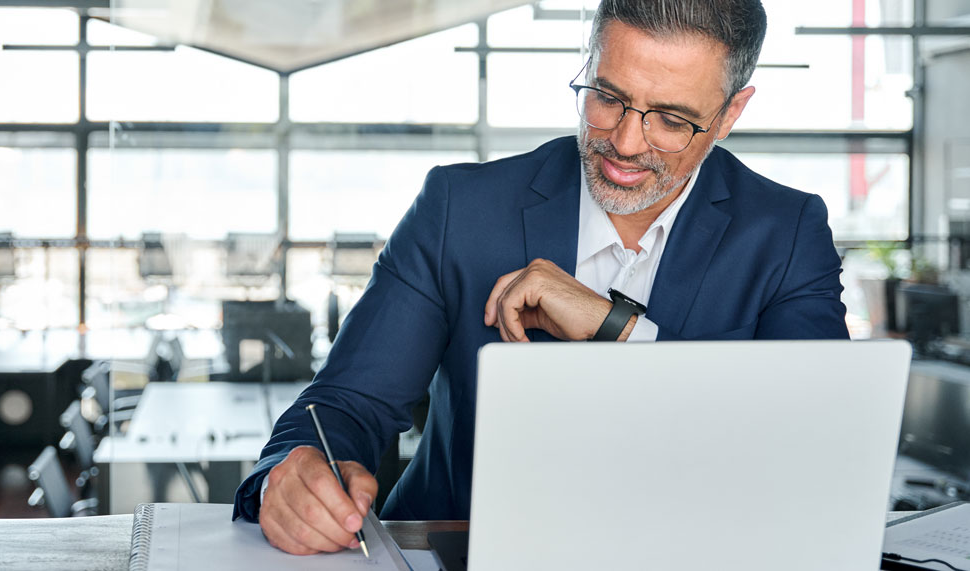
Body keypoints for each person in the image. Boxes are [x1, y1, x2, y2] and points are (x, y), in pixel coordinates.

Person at [234, 0, 849, 556]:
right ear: (588, 61)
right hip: (451, 551)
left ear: (731, 112)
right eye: (607, 96)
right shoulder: (460, 210)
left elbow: (812, 454)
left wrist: (618, 330)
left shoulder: (786, 232)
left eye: (670, 119)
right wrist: (291, 474)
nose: (626, 143)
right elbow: (346, 404)